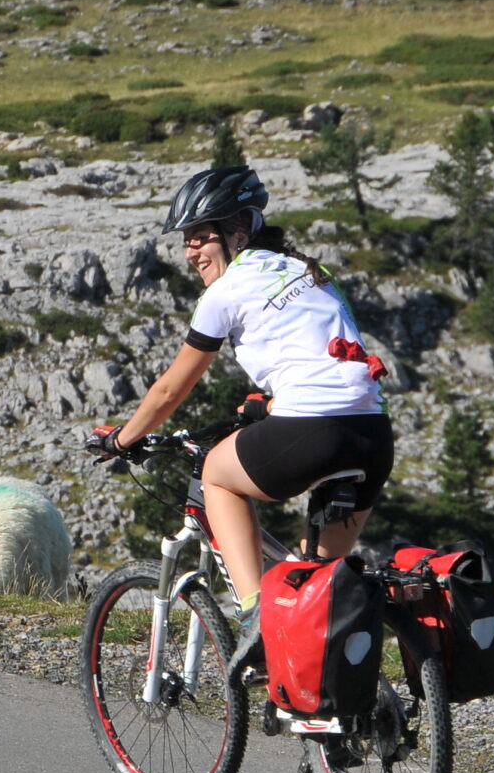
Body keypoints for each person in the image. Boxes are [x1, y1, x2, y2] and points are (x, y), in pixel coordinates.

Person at [87, 164, 392, 620]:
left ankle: (253, 614)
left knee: (216, 473)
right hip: (372, 436)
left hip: (313, 429)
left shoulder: (226, 292)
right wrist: (270, 405)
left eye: (198, 237)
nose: (189, 252)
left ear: (238, 232)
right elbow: (332, 362)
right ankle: (334, 684)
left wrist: (121, 440)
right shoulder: (312, 270)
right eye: (184, 240)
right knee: (315, 589)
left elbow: (171, 390)